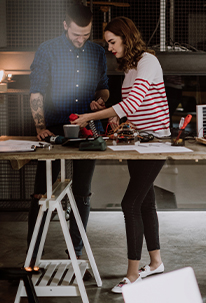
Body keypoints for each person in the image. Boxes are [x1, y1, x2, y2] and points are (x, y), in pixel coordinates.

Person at [71, 16, 170, 293]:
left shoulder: (148, 61)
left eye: (113, 42)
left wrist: (91, 115)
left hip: (156, 143)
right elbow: (132, 110)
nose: (110, 48)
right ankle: (155, 263)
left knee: (130, 204)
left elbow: (133, 102)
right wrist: (116, 118)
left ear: (127, 38)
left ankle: (133, 275)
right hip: (139, 142)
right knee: (145, 202)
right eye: (107, 43)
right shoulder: (130, 69)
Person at [28, 3, 109, 262]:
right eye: (76, 35)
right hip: (53, 132)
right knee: (42, 194)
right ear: (65, 26)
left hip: (87, 131)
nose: (80, 40)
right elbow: (36, 91)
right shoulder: (47, 50)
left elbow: (104, 88)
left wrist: (101, 101)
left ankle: (76, 253)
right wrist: (40, 126)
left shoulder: (96, 52)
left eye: (86, 35)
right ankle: (33, 256)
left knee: (82, 193)